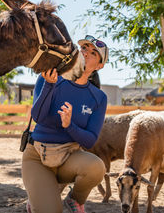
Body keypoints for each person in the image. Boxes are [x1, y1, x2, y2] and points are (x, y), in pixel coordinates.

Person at [21, 35, 109, 213]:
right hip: (37, 157)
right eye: (84, 49)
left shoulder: (98, 97)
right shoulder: (50, 77)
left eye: (93, 53)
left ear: (100, 66)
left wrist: (69, 125)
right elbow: (37, 116)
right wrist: (49, 85)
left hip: (68, 158)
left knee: (97, 168)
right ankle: (38, 195)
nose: (86, 53)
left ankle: (74, 200)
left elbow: (90, 141)